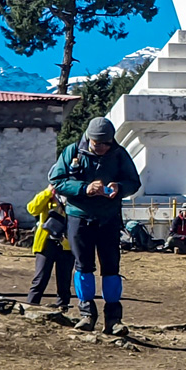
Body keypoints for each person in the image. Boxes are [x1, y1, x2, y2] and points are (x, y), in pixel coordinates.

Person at [48, 116, 141, 335]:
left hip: (109, 219)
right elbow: (57, 181)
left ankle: (114, 319)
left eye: (106, 144)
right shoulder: (72, 152)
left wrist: (119, 187)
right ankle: (87, 314)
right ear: (89, 139)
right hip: (79, 218)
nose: (101, 148)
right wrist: (84, 188)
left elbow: (134, 182)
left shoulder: (119, 155)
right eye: (97, 144)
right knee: (83, 266)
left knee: (111, 269)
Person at [26, 185, 73, 310]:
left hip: (66, 243)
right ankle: (31, 306)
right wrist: (47, 193)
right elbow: (32, 209)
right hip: (46, 242)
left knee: (64, 280)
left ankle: (63, 307)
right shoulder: (49, 195)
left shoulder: (75, 196)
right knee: (40, 278)